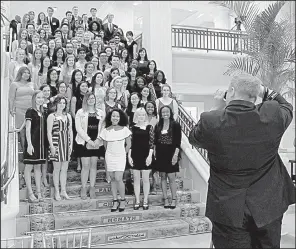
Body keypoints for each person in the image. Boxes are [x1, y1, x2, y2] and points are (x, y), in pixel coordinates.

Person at [188, 74, 295, 248]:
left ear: (231, 91)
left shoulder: (212, 120)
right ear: (255, 95)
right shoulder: (271, 115)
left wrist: (217, 107)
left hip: (227, 207)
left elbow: (193, 138)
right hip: (268, 204)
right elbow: (286, 106)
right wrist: (264, 91)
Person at [100, 108, 131, 212]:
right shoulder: (105, 131)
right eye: (113, 116)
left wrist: (123, 154)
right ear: (110, 117)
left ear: (120, 117)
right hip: (110, 156)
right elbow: (105, 146)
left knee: (118, 178)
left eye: (117, 116)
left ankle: (122, 200)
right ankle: (115, 200)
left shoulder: (125, 129)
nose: (115, 118)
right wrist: (110, 154)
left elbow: (129, 144)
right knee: (112, 179)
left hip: (120, 156)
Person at [75, 92, 104, 199]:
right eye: (89, 98)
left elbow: (103, 128)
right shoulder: (80, 112)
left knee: (93, 165)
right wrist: (88, 140)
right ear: (86, 100)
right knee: (85, 165)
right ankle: (83, 187)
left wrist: (97, 139)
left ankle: (92, 187)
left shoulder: (100, 112)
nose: (91, 100)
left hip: (96, 142)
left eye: (93, 98)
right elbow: (78, 128)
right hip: (84, 142)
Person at [154, 105, 182, 209]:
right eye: (163, 112)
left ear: (170, 113)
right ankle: (165, 199)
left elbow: (178, 142)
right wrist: (155, 154)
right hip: (161, 154)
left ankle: (174, 199)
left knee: (171, 177)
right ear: (160, 114)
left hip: (171, 153)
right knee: (163, 177)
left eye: (167, 112)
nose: (165, 114)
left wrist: (175, 155)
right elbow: (156, 142)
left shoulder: (175, 125)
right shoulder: (158, 125)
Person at [47, 96, 73, 201]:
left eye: (64, 103)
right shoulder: (51, 116)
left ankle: (63, 191)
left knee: (64, 169)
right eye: (60, 103)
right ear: (56, 104)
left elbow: (70, 130)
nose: (62, 105)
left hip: (66, 143)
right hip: (56, 142)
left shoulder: (68, 116)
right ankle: (57, 191)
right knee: (56, 169)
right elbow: (49, 132)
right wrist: (52, 146)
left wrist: (71, 145)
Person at [128, 108, 154, 210]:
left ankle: (146, 200)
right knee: (136, 180)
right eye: (139, 115)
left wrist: (150, 156)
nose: (141, 117)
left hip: (146, 155)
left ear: (145, 116)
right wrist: (129, 156)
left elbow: (152, 143)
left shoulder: (149, 127)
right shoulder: (132, 128)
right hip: (135, 154)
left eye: (143, 115)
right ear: (136, 116)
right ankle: (137, 200)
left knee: (146, 179)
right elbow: (130, 144)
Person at [23, 90, 46, 203]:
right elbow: (27, 129)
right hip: (32, 143)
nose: (40, 99)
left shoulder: (43, 112)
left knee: (38, 167)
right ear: (34, 99)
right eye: (38, 98)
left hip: (41, 145)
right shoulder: (30, 111)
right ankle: (30, 193)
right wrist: (29, 144)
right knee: (29, 167)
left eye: (42, 98)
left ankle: (39, 192)